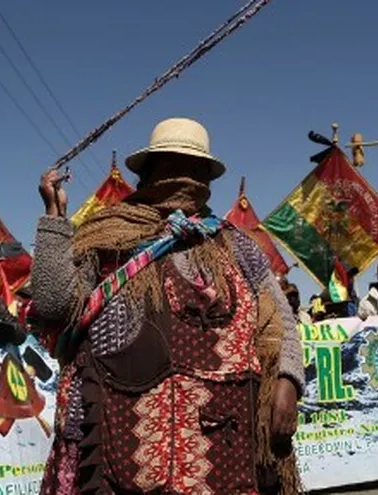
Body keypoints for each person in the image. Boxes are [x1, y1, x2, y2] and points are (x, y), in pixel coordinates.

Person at [31, 118, 304, 494]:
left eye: (194, 168)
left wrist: (288, 379)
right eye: (173, 164)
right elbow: (55, 305)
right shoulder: (107, 236)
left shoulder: (236, 246)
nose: (184, 176)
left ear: (207, 178)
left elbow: (279, 318)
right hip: (118, 427)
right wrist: (54, 220)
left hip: (226, 437)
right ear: (149, 172)